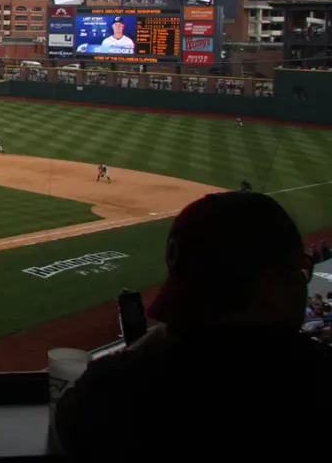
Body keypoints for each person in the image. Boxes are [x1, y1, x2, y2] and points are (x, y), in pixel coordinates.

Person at [54, 192, 332, 462]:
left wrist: (151, 345)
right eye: (301, 268)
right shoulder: (316, 380)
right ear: (267, 287)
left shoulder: (117, 388)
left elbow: (68, 422)